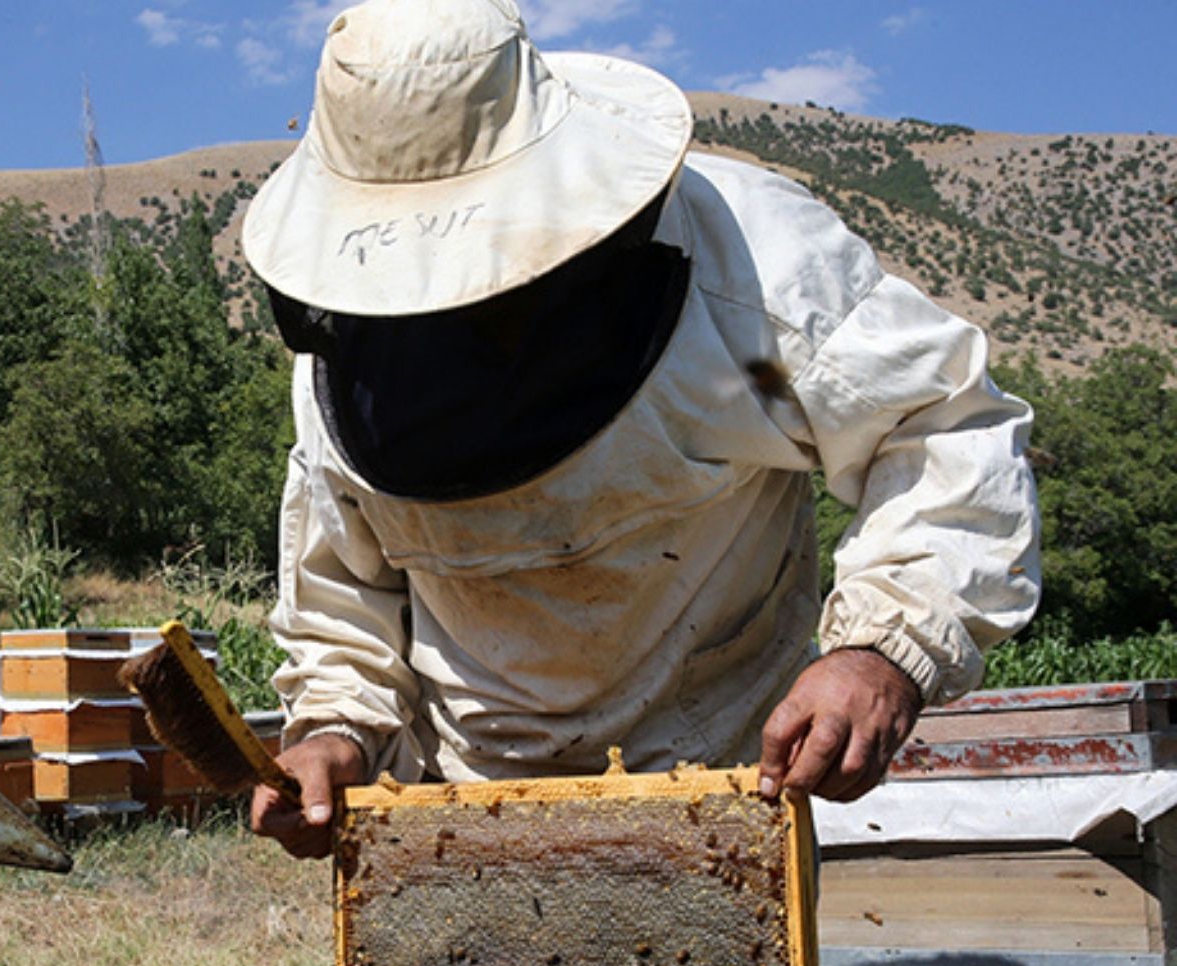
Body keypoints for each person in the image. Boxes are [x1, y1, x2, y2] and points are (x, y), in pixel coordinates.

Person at [242, 0, 1041, 859]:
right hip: (467, 809)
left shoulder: (749, 276)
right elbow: (344, 582)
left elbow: (940, 425)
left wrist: (884, 651)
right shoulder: (349, 343)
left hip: (727, 781)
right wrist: (338, 730)